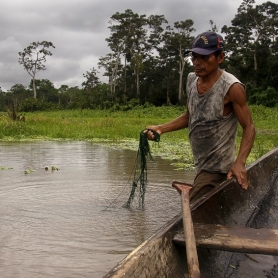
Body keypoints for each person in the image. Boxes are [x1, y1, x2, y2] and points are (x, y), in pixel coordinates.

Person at [145, 31, 255, 200]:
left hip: (218, 169)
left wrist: (239, 163)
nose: (197, 62)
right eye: (194, 57)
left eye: (204, 58)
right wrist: (161, 129)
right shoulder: (191, 80)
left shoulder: (231, 87)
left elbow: (249, 127)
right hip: (201, 166)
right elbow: (190, 116)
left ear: (220, 58)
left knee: (194, 215)